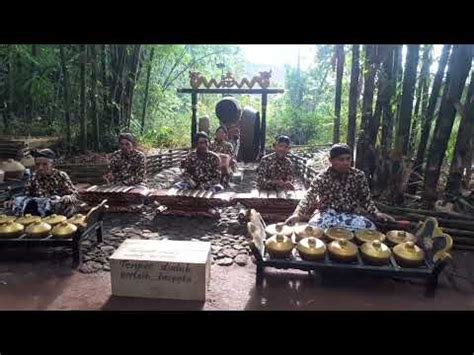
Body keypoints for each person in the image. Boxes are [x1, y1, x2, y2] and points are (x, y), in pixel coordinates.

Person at [285, 143, 394, 231]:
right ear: (331, 161)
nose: (346, 163)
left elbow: (366, 199)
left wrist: (376, 213)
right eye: (341, 159)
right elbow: (309, 196)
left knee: (370, 228)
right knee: (313, 229)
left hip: (350, 215)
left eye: (348, 159)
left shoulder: (358, 176)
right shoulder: (322, 177)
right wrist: (297, 214)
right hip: (326, 214)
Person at [7, 148, 80, 217]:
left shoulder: (61, 176)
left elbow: (75, 194)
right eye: (37, 164)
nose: (40, 168)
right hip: (39, 211)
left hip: (57, 211)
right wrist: (14, 200)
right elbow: (26, 194)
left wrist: (68, 197)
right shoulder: (34, 177)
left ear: (52, 164)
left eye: (44, 164)